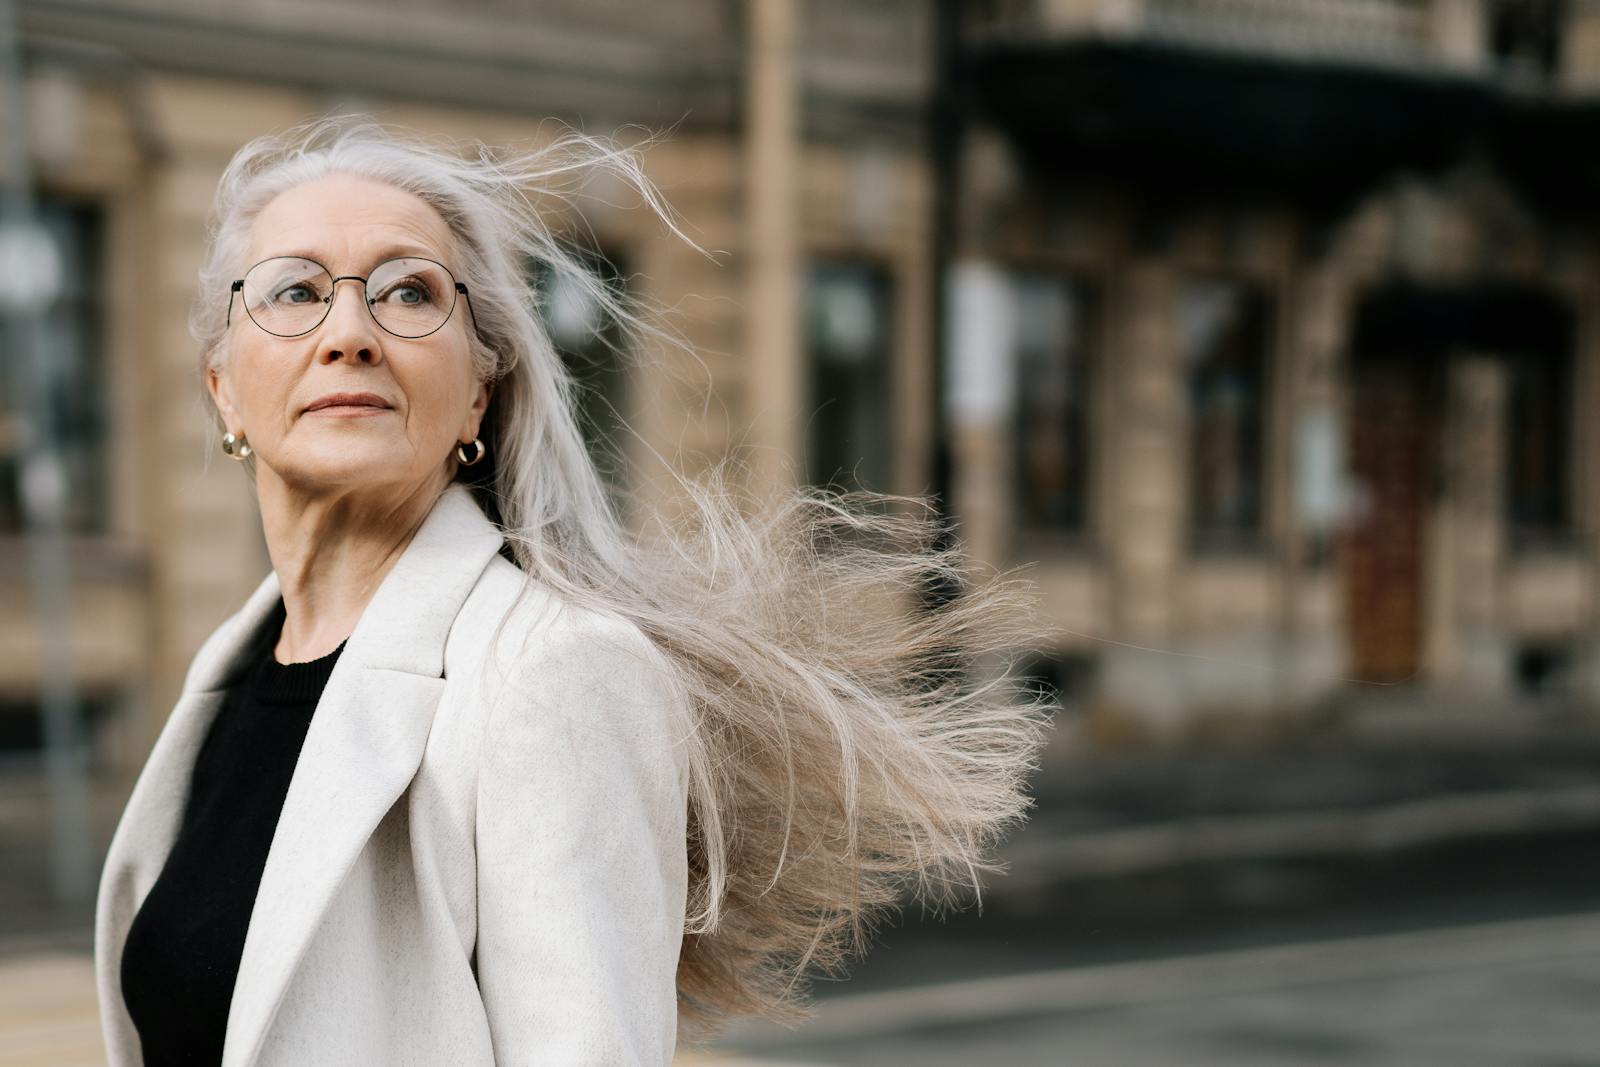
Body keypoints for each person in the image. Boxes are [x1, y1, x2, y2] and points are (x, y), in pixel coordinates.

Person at [93, 117, 1051, 1066]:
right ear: (223, 385)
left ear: (478, 389)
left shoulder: (553, 673)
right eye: (295, 291)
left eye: (409, 292)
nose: (350, 331)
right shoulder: (232, 673)